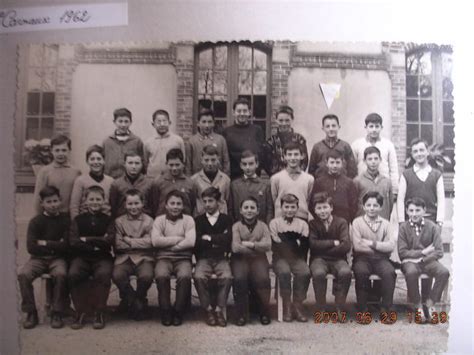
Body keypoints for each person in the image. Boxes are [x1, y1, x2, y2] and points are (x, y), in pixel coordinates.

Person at [18, 186, 69, 329]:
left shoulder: (66, 220)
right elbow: (31, 247)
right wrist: (56, 243)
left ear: (60, 201)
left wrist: (45, 242)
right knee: (23, 274)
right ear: (42, 203)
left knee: (61, 274)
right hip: (37, 259)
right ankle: (31, 312)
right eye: (49, 202)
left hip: (58, 258)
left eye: (55, 201)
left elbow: (66, 245)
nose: (53, 205)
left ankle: (57, 312)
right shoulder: (36, 221)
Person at [68, 186, 114, 329]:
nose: (95, 202)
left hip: (102, 257)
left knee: (104, 274)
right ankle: (80, 311)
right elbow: (74, 241)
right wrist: (97, 242)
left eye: (98, 199)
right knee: (74, 273)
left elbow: (110, 240)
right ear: (85, 201)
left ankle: (99, 311)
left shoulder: (108, 219)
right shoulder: (78, 219)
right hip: (81, 257)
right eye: (91, 199)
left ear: (103, 201)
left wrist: (86, 239)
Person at [398, 197, 449, 322]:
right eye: (411, 210)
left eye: (417, 210)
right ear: (406, 211)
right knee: (411, 272)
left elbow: (439, 251)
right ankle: (418, 306)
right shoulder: (403, 228)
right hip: (409, 262)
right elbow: (402, 253)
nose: (414, 214)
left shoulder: (432, 227)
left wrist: (423, 259)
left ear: (424, 210)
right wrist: (423, 252)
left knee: (444, 272)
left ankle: (430, 304)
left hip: (428, 261)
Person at [152, 190, 196, 326]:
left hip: (183, 258)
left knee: (185, 276)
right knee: (161, 275)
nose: (175, 206)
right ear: (166, 205)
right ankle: (165, 311)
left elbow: (190, 241)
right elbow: (155, 241)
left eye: (178, 204)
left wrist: (171, 246)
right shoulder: (159, 220)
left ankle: (178, 311)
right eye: (172, 203)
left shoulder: (188, 220)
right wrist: (178, 239)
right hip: (163, 258)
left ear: (183, 206)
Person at [351, 191, 397, 317]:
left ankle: (385, 307)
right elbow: (357, 246)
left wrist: (373, 244)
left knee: (389, 272)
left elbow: (391, 246)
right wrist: (381, 247)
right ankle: (363, 308)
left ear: (381, 207)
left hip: (381, 259)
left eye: (375, 205)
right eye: (369, 205)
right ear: (363, 206)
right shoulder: (357, 222)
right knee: (361, 272)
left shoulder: (386, 224)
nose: (372, 208)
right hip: (362, 258)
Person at [112, 189, 155, 321]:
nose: (133, 207)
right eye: (130, 204)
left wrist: (129, 240)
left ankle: (138, 298)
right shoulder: (119, 221)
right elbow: (118, 244)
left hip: (144, 257)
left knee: (147, 276)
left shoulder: (149, 221)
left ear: (143, 203)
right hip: (124, 257)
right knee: (118, 275)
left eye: (136, 203)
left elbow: (151, 243)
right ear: (125, 205)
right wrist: (140, 241)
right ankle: (135, 302)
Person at [193, 187, 233, 327]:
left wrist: (208, 238)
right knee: (198, 277)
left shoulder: (226, 219)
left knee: (227, 277)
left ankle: (219, 309)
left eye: (211, 201)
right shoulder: (198, 220)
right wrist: (218, 239)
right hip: (204, 258)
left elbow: (228, 239)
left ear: (219, 202)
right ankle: (208, 309)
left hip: (221, 258)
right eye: (205, 201)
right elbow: (197, 242)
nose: (207, 204)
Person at [269, 194, 311, 322]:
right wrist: (295, 241)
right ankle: (286, 304)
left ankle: (297, 304)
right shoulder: (274, 223)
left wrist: (285, 240)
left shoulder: (303, 224)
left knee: (305, 272)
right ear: (281, 207)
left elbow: (303, 246)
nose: (289, 210)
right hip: (280, 258)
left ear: (297, 208)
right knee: (284, 272)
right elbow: (276, 246)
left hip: (297, 258)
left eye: (293, 207)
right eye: (286, 206)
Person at [231, 197, 272, 326]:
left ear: (258, 210)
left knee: (263, 278)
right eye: (246, 208)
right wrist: (257, 247)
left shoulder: (263, 226)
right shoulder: (236, 226)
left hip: (259, 259)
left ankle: (264, 312)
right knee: (239, 278)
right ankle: (241, 314)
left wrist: (251, 245)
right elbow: (235, 247)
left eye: (252, 208)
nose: (249, 210)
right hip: (240, 259)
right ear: (241, 211)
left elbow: (268, 245)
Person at [309, 192, 351, 312]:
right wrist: (333, 242)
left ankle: (339, 306)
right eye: (319, 208)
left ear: (331, 207)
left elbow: (346, 245)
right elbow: (313, 245)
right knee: (318, 273)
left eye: (325, 207)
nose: (322, 211)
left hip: (339, 259)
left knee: (345, 272)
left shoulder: (341, 222)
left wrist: (324, 248)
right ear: (315, 210)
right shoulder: (312, 224)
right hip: (318, 259)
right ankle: (321, 306)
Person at [397, 138, 445, 226]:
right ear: (412, 154)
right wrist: (401, 221)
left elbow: (441, 200)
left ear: (427, 152)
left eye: (421, 150)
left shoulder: (436, 175)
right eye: (415, 151)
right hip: (410, 220)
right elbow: (400, 199)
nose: (419, 154)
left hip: (431, 220)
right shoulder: (406, 175)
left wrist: (440, 221)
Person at [351, 113, 399, 195]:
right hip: (363, 186)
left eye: (377, 126)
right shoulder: (357, 144)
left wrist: (394, 190)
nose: (374, 129)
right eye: (371, 126)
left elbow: (393, 169)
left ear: (381, 127)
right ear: (366, 127)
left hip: (382, 186)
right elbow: (352, 168)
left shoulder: (388, 145)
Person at [33, 134, 81, 214]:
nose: (60, 153)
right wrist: (39, 218)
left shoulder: (76, 172)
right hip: (50, 216)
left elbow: (78, 198)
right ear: (51, 151)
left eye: (64, 150)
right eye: (57, 150)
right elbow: (38, 198)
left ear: (69, 150)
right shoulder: (45, 171)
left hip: (68, 216)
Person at [310, 149, 358, 224]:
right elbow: (313, 203)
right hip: (323, 220)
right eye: (332, 162)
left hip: (344, 220)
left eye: (338, 162)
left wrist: (349, 219)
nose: (335, 166)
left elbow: (353, 204)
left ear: (342, 163)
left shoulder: (349, 182)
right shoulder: (319, 182)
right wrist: (320, 216)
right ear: (326, 163)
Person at [223, 98, 266, 179]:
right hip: (234, 178)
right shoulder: (227, 132)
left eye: (245, 111)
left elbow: (261, 154)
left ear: (249, 112)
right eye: (239, 111)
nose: (242, 114)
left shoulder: (257, 130)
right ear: (233, 112)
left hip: (254, 177)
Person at [271, 142, 314, 221]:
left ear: (302, 156)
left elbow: (308, 200)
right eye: (289, 154)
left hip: (302, 219)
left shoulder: (309, 179)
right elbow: (275, 199)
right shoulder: (276, 178)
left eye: (296, 154)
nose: (293, 158)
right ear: (284, 157)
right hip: (281, 219)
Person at [148, 148, 198, 217]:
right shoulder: (158, 182)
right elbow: (154, 204)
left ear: (183, 164)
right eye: (171, 165)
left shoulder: (190, 183)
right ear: (166, 164)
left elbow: (192, 205)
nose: (174, 168)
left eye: (177, 165)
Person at [70, 145, 114, 219]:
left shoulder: (111, 181)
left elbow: (113, 206)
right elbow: (74, 206)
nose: (96, 162)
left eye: (99, 159)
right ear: (87, 161)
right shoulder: (80, 181)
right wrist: (76, 224)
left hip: (105, 222)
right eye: (92, 159)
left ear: (104, 161)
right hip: (85, 222)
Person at [229, 150, 273, 224]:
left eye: (251, 164)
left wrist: (267, 227)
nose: (248, 167)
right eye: (244, 164)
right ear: (241, 165)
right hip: (240, 227)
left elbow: (269, 210)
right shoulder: (234, 185)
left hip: (260, 227)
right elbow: (230, 210)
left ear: (257, 164)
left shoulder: (265, 185)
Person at [308, 114, 357, 178]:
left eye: (333, 126)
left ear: (339, 127)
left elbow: (352, 169)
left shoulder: (345, 146)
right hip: (322, 184)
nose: (331, 129)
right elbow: (311, 170)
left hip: (342, 184)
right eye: (327, 126)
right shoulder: (317, 147)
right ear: (323, 128)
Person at [102, 107, 145, 178]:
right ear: (114, 122)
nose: (123, 125)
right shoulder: (107, 141)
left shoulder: (137, 141)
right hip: (110, 179)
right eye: (120, 121)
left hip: (131, 181)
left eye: (126, 121)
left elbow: (143, 162)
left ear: (130, 122)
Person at [186, 109, 230, 176]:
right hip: (198, 181)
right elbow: (188, 165)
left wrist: (225, 179)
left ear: (213, 123)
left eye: (210, 122)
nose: (207, 125)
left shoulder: (220, 140)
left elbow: (226, 163)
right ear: (198, 123)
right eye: (203, 122)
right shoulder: (192, 141)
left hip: (217, 180)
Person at [354, 146, 393, 220]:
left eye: (376, 158)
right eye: (370, 159)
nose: (373, 162)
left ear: (380, 160)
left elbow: (390, 204)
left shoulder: (386, 181)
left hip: (382, 221)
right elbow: (353, 204)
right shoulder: (357, 181)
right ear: (364, 161)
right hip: (363, 222)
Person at [266, 105, 308, 175]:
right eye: (281, 120)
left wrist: (297, 175)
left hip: (296, 178)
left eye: (287, 120)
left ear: (292, 119)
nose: (284, 123)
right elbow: (268, 165)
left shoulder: (300, 139)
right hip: (278, 179)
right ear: (276, 120)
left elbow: (304, 161)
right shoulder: (271, 142)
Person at [109, 152, 152, 218]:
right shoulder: (116, 184)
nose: (133, 166)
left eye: (137, 163)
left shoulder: (150, 183)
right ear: (124, 164)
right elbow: (113, 207)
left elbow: (153, 206)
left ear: (142, 165)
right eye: (130, 163)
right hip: (122, 222)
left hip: (144, 222)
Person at [144, 109, 185, 178]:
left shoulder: (178, 140)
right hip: (152, 179)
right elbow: (145, 162)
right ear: (153, 124)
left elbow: (183, 161)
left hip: (171, 179)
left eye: (164, 121)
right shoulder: (148, 142)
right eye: (159, 122)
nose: (162, 124)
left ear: (169, 122)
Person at [191, 145, 230, 216]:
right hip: (202, 217)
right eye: (206, 160)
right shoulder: (194, 179)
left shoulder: (225, 179)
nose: (210, 163)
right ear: (201, 160)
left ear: (218, 160)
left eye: (213, 160)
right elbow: (193, 201)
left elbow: (227, 199)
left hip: (221, 218)